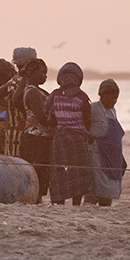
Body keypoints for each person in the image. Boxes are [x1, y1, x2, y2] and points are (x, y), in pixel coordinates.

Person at [46, 62, 94, 205]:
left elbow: (50, 119)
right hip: (78, 140)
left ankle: (59, 202)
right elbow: (88, 121)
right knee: (78, 173)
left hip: (60, 139)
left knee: (59, 173)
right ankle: (76, 203)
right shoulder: (82, 97)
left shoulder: (54, 95)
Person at [16, 58, 53, 203]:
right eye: (42, 72)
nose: (45, 76)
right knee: (37, 171)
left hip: (37, 137)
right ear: (33, 73)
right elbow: (42, 118)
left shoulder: (34, 91)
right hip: (37, 138)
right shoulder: (33, 92)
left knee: (38, 171)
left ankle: (36, 199)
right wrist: (56, 120)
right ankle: (35, 200)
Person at [87, 79, 126, 206]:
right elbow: (85, 127)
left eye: (116, 98)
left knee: (109, 187)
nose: (114, 100)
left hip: (112, 155)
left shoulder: (112, 111)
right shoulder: (94, 108)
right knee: (95, 185)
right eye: (111, 97)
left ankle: (105, 206)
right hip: (97, 153)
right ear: (102, 94)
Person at [6, 48, 38, 157]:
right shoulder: (24, 81)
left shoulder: (13, 80)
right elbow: (15, 100)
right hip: (20, 132)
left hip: (11, 131)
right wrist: (26, 114)